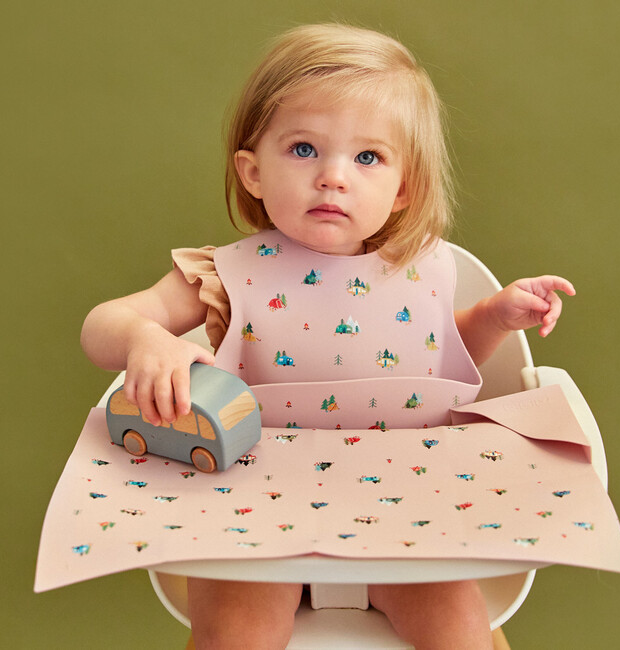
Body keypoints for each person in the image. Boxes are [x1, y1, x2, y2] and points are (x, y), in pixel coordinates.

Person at [81, 23, 575, 650]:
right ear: (252, 171)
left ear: (405, 188)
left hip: (406, 508)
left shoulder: (422, 270)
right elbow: (100, 326)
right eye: (303, 149)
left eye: (367, 158)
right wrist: (143, 337)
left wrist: (494, 319)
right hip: (252, 511)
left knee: (464, 632)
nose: (333, 176)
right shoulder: (225, 275)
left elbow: (436, 364)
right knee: (236, 635)